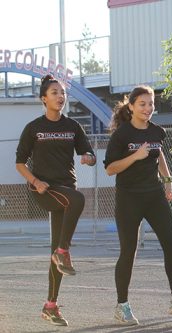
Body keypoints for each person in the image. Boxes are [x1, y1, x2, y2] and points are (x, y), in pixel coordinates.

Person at [104, 85, 172, 325]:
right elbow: (110, 168)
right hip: (129, 198)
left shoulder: (157, 131)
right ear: (131, 106)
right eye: (142, 104)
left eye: (151, 104)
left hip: (154, 196)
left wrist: (168, 181)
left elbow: (158, 152)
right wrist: (135, 156)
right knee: (128, 251)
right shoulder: (121, 135)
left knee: (171, 245)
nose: (147, 108)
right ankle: (122, 305)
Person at [15, 74, 96, 326]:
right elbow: (19, 163)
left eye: (62, 92)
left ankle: (50, 305)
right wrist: (35, 181)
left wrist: (89, 158)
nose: (60, 96)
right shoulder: (33, 128)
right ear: (44, 98)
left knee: (56, 247)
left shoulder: (72, 126)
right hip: (44, 189)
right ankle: (63, 252)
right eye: (54, 92)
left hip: (65, 188)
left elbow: (89, 152)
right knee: (78, 200)